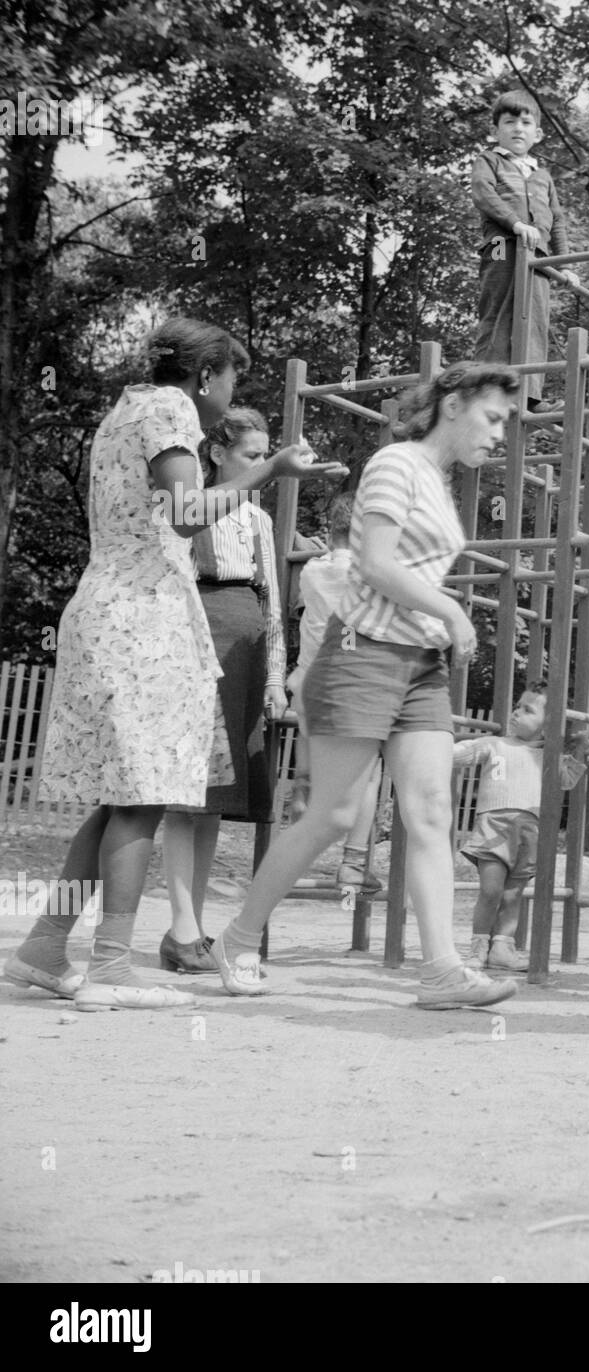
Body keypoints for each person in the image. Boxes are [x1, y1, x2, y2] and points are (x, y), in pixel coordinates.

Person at [2, 318, 344, 1011]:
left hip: (118, 609)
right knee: (145, 794)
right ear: (207, 375)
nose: (228, 395)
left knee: (126, 793)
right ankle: (111, 968)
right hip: (141, 618)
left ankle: (46, 943)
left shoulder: (126, 409)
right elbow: (187, 512)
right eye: (232, 380)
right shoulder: (170, 408)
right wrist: (271, 471)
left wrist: (261, 472)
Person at [211, 362, 522, 1010]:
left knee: (432, 812)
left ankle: (440, 970)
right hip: (360, 656)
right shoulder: (397, 465)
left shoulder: (439, 482)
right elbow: (375, 563)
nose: (500, 434)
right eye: (493, 417)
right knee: (335, 815)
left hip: (421, 667)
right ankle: (238, 938)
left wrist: (440, 623)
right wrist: (453, 610)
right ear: (456, 404)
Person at [159, 408, 287, 973]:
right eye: (251, 457)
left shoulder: (257, 520)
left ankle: (194, 930)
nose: (261, 466)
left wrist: (276, 677)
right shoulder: (191, 511)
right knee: (187, 797)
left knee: (216, 798)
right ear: (217, 455)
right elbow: (172, 589)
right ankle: (181, 927)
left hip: (247, 649)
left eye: (265, 456)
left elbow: (274, 601)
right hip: (200, 643)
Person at [453, 682, 589, 972]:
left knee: (513, 894)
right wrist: (435, 746)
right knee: (490, 890)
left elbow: (568, 781)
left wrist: (579, 750)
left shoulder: (550, 756)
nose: (516, 713)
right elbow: (462, 754)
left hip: (529, 830)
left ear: (548, 723)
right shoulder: (496, 744)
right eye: (517, 706)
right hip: (494, 828)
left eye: (527, 710)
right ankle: (479, 947)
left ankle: (502, 947)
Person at [285, 492, 382, 890]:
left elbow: (317, 553)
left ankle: (291, 857)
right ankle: (353, 863)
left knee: (306, 775)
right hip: (351, 685)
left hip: (307, 685)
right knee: (368, 773)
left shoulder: (310, 571)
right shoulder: (371, 572)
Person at [471, 89, 579, 406]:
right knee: (500, 313)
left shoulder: (543, 175)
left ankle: (529, 396)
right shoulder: (489, 160)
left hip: (539, 259)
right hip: (502, 247)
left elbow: (556, 220)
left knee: (534, 321)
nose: (518, 128)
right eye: (509, 121)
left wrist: (567, 265)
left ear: (538, 133)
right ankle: (485, 386)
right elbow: (483, 193)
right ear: (495, 130)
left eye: (525, 122)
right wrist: (514, 223)